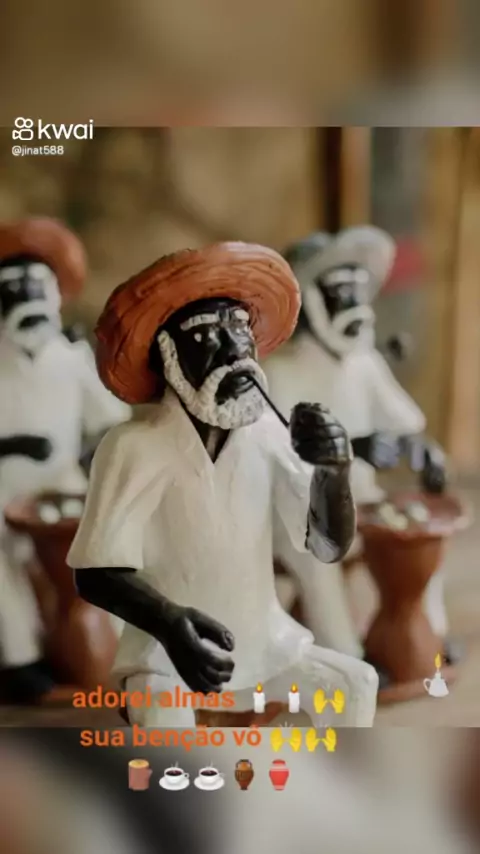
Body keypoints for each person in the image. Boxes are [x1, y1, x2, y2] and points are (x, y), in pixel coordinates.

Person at [68, 241, 379, 728]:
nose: (234, 350)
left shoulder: (270, 435)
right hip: (166, 654)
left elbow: (326, 546)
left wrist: (333, 473)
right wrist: (170, 624)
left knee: (355, 684)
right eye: (206, 336)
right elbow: (94, 573)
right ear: (167, 355)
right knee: (164, 722)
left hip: (268, 644)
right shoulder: (132, 446)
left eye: (239, 329)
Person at [263, 227, 450, 666]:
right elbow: (274, 457)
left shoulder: (364, 364)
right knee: (318, 559)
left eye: (358, 292)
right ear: (307, 301)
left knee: (419, 538)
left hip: (362, 501)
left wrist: (423, 453)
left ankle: (429, 637)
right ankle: (346, 658)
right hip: (297, 513)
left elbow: (406, 423)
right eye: (340, 293)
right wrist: (351, 450)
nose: (356, 306)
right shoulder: (279, 373)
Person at [0, 218, 130, 704]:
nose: (27, 300)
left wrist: (100, 460)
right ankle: (20, 659)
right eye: (13, 290)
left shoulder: (71, 358)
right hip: (2, 489)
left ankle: (120, 647)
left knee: (107, 547)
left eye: (37, 288)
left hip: (62, 484)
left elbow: (111, 422)